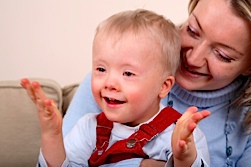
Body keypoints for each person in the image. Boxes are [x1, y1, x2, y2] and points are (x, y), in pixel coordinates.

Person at [62, 0, 251, 167]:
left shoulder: (245, 119)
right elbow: (64, 161)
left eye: (222, 55)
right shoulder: (111, 82)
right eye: (192, 31)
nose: (193, 58)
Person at [21, 9, 210, 167]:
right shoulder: (89, 129)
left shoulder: (177, 133)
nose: (109, 83)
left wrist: (183, 157)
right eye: (101, 69)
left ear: (163, 86)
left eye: (127, 74)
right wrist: (52, 135)